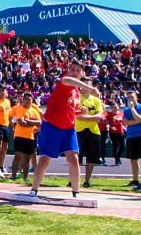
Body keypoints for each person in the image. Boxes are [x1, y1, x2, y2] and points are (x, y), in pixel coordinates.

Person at [28, 60, 100, 198]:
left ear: (82, 73)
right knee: (45, 159)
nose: (75, 72)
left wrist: (79, 113)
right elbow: (68, 80)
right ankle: (34, 189)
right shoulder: (64, 82)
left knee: (73, 157)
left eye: (78, 71)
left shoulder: (77, 93)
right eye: (73, 69)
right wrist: (90, 89)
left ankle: (76, 191)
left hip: (68, 129)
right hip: (52, 126)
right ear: (68, 70)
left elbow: (69, 110)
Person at [74, 82, 105, 187]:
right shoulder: (77, 99)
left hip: (93, 131)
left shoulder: (96, 100)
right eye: (84, 84)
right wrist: (92, 118)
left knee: (91, 157)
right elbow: (77, 116)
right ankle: (74, 179)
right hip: (79, 130)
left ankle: (87, 180)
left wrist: (86, 117)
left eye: (89, 84)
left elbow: (99, 115)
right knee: (76, 157)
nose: (87, 87)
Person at [9, 92, 42, 182]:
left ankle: (25, 177)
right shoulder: (20, 109)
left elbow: (39, 122)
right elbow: (21, 123)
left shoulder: (34, 111)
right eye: (26, 99)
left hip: (30, 136)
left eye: (29, 99)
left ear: (32, 101)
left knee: (27, 158)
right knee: (17, 156)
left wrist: (28, 121)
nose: (28, 101)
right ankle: (13, 176)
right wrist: (32, 123)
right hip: (19, 135)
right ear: (23, 100)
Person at [123, 91, 141, 188]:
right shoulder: (125, 110)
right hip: (131, 136)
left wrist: (133, 109)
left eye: (132, 97)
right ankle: (135, 179)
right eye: (128, 97)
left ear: (136, 97)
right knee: (133, 159)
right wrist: (135, 120)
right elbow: (125, 123)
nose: (130, 99)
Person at [104, 100, 125, 167]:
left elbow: (124, 121)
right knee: (115, 146)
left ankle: (118, 157)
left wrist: (125, 126)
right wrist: (110, 126)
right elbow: (107, 122)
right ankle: (116, 160)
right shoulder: (109, 114)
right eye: (113, 107)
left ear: (118, 107)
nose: (114, 108)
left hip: (121, 131)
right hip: (113, 132)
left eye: (115, 107)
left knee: (122, 146)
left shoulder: (121, 113)